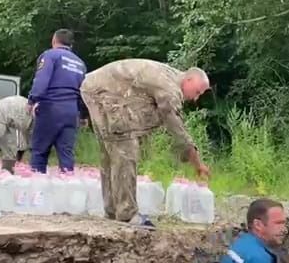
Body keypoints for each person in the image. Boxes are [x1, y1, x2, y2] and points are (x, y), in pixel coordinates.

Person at [80, 58, 211, 226]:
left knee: (111, 151)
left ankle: (113, 211)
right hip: (103, 91)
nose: (195, 98)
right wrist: (197, 163)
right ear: (189, 80)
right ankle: (127, 214)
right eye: (198, 92)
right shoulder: (169, 88)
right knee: (125, 148)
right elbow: (176, 126)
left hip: (96, 88)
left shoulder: (170, 77)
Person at [28, 28, 87, 173]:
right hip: (72, 112)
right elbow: (85, 91)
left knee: (39, 151)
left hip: (51, 108)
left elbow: (41, 81)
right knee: (66, 154)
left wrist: (32, 100)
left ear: (54, 40)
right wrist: (84, 114)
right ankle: (66, 190)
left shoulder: (50, 56)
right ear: (71, 45)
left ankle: (38, 188)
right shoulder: (80, 64)